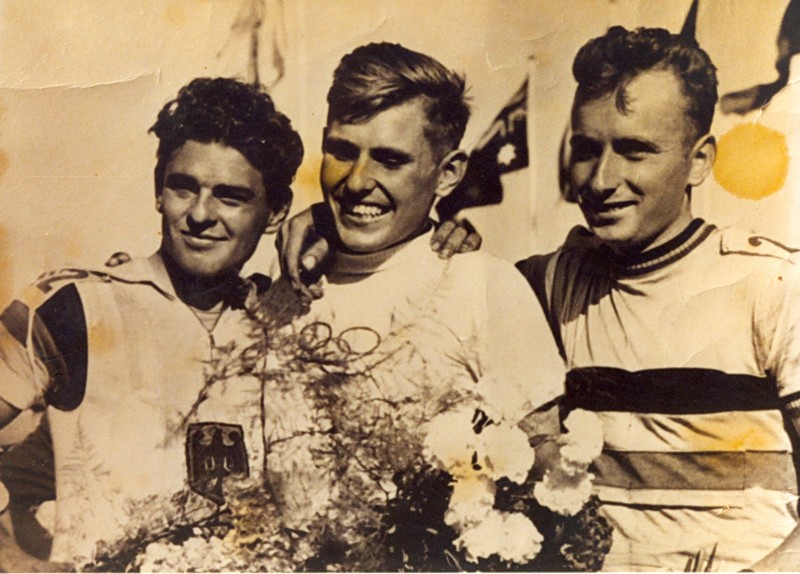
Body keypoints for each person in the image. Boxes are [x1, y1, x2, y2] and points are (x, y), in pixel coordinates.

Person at [279, 27, 800, 571]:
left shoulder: (771, 287)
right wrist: (320, 222)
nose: (601, 179)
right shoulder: (546, 284)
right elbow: (425, 270)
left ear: (698, 161)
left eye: (635, 150)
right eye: (585, 149)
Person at [260, 42, 565, 544]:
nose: (359, 181)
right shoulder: (288, 287)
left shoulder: (486, 287)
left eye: (390, 159)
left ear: (447, 173)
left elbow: (544, 478)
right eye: (342, 151)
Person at [0, 76, 303, 566]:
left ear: (275, 212)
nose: (200, 214)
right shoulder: (78, 305)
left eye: (230, 196)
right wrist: (14, 560)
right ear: (158, 192)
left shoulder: (288, 322)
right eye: (183, 188)